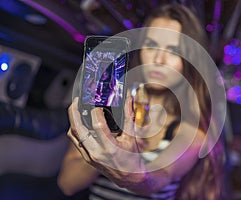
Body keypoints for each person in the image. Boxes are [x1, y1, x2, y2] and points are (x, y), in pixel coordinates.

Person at [58, 4, 224, 200]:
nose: (158, 59)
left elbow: (156, 180)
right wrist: (107, 136)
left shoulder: (191, 131)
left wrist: (128, 165)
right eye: (151, 45)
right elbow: (67, 184)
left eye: (173, 50)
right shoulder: (107, 110)